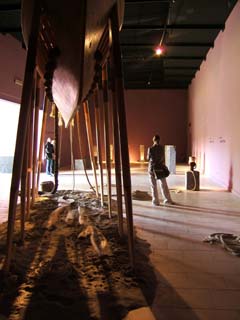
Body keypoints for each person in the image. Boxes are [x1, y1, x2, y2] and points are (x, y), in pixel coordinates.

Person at [147, 134, 174, 206]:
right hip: (160, 167)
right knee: (163, 184)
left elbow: (148, 158)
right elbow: (162, 158)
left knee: (153, 185)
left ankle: (155, 201)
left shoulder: (150, 148)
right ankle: (168, 199)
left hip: (152, 168)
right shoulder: (162, 148)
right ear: (159, 140)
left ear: (153, 140)